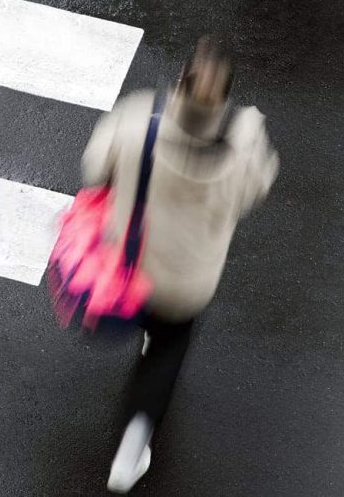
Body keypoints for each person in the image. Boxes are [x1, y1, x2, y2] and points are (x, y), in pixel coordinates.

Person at [80, 37, 279, 493]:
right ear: (225, 101)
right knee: (168, 349)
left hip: (128, 267)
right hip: (188, 282)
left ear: (178, 84)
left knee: (146, 316)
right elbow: (254, 193)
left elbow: (94, 166)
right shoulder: (243, 145)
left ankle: (142, 325)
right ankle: (133, 442)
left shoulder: (138, 121)